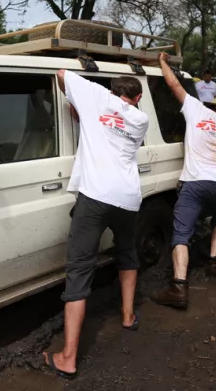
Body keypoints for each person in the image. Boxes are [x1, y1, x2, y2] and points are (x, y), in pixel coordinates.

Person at [43, 68, 148, 379]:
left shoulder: (97, 98)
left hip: (95, 195)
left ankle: (68, 357)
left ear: (113, 91)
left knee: (79, 269)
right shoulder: (141, 120)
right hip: (128, 197)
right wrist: (85, 110)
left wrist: (75, 98)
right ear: (138, 98)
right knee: (127, 252)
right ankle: (128, 315)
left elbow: (62, 74)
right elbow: (108, 130)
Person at [150, 53, 216, 309]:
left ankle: (178, 287)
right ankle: (215, 262)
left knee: (181, 234)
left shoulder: (196, 109)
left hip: (195, 183)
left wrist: (162, 62)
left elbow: (174, 84)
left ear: (209, 106)